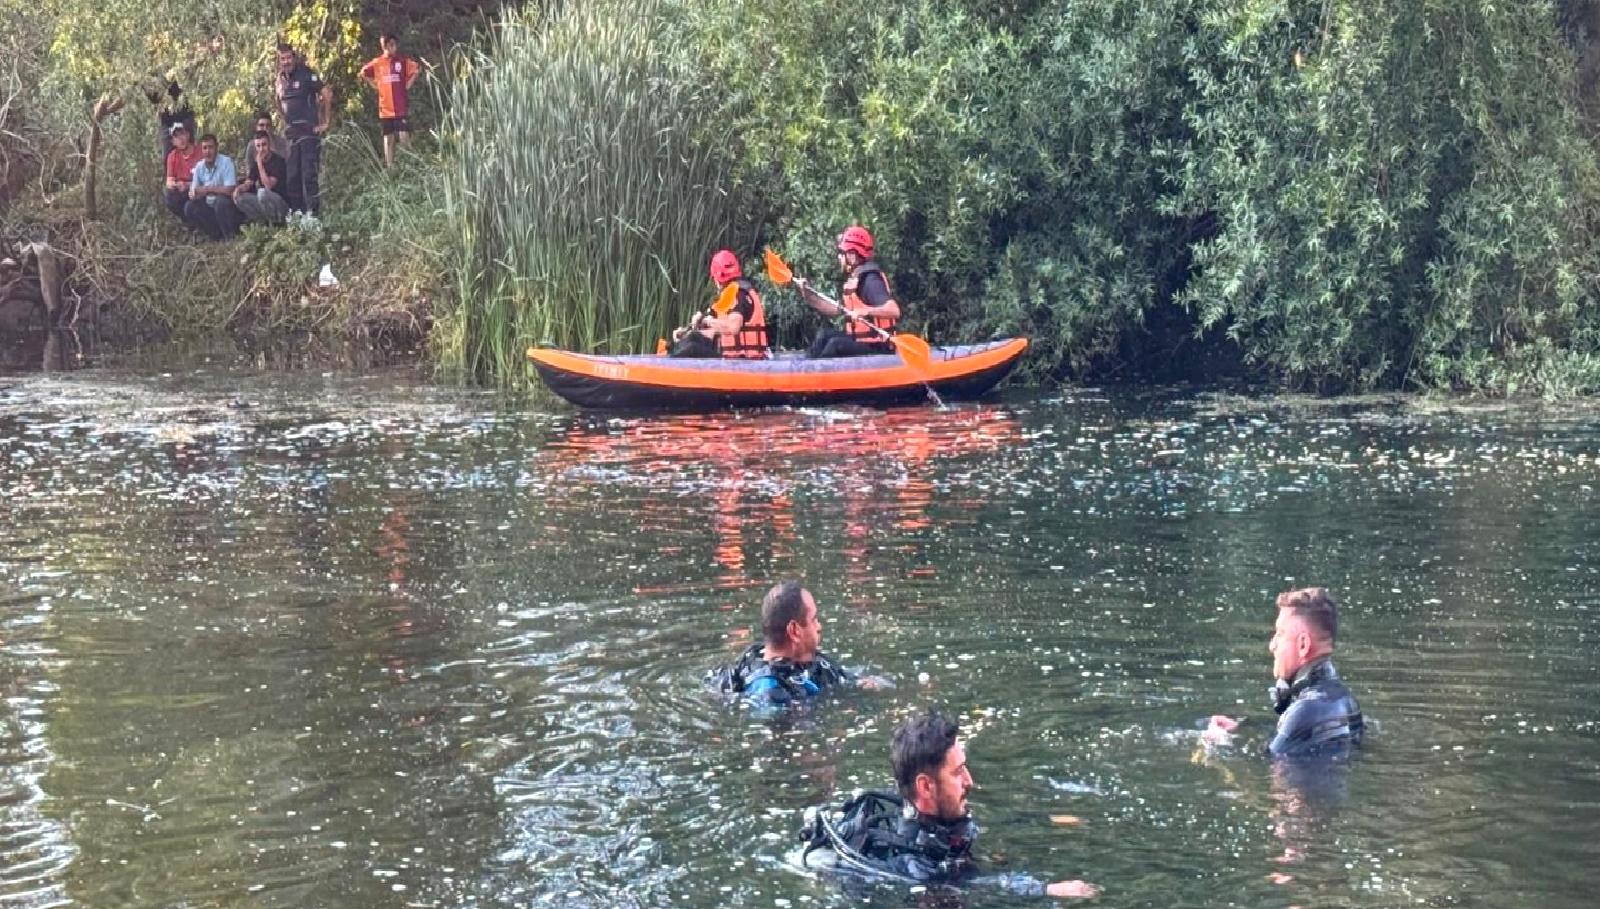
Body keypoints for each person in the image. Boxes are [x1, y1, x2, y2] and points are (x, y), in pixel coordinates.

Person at [800, 711, 1099, 899]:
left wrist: (1043, 820)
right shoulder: (914, 867)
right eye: (957, 773)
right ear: (925, 786)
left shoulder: (941, 822)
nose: (969, 781)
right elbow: (977, 886)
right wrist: (1044, 890)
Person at [1204, 587, 1364, 758]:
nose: (1272, 645)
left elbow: (1266, 765)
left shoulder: (1307, 709)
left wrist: (1220, 743)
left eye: (1280, 634)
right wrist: (1243, 729)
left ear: (1303, 645)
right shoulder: (1345, 700)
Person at [707, 581, 868, 706]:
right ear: (794, 630)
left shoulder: (810, 663)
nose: (819, 626)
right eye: (814, 620)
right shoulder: (768, 691)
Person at [797, 226, 901, 358]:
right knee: (824, 334)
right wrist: (808, 295)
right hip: (860, 341)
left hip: (880, 347)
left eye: (841, 252)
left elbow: (894, 310)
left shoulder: (870, 280)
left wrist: (867, 311)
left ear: (853, 254)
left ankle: (820, 375)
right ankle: (806, 371)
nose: (839, 257)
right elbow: (835, 310)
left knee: (836, 344)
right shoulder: (855, 279)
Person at [670, 250, 769, 359]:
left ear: (716, 278)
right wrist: (685, 335)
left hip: (746, 362)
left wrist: (705, 320)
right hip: (737, 361)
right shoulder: (730, 294)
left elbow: (733, 328)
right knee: (693, 339)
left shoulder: (739, 294)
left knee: (692, 348)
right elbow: (713, 332)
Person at [274, 42, 333, 215]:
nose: (286, 61)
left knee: (309, 175)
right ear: (279, 61)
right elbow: (277, 101)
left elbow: (326, 94)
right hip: (291, 134)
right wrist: (284, 118)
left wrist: (325, 121)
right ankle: (297, 215)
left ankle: (313, 215)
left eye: (288, 57)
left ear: (294, 57)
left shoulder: (307, 74)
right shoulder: (279, 79)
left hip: (309, 132)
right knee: (292, 176)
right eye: (282, 59)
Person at [359, 33, 422, 168]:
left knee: (404, 136)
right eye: (391, 45)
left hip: (400, 106)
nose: (394, 48)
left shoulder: (402, 61)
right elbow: (364, 72)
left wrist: (409, 82)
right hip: (385, 108)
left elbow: (417, 68)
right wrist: (374, 85)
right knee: (388, 138)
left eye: (395, 45)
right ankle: (390, 168)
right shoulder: (378, 63)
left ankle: (409, 165)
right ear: (385, 46)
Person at [183, 134, 243, 240]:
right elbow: (195, 191)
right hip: (209, 207)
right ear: (201, 150)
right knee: (190, 207)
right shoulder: (199, 167)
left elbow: (230, 189)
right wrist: (193, 194)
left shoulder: (226, 162)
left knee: (221, 201)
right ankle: (215, 234)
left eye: (210, 147)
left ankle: (230, 235)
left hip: (228, 207)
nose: (207, 151)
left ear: (216, 148)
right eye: (204, 148)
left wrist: (207, 189)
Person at [233, 131, 290, 226]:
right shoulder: (256, 164)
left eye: (264, 145)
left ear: (269, 145)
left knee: (262, 193)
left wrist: (260, 164)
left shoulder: (278, 161)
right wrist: (238, 189)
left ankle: (276, 225)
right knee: (240, 198)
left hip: (281, 205)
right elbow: (248, 183)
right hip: (265, 205)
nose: (261, 149)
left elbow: (268, 185)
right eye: (258, 146)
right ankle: (263, 225)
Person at [163, 123, 204, 220]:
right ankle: (188, 222)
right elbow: (169, 181)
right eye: (176, 137)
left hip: (200, 191)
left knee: (190, 207)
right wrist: (174, 184)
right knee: (169, 196)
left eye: (182, 134)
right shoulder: (172, 156)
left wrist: (188, 185)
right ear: (173, 142)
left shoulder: (200, 152)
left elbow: (208, 180)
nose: (181, 139)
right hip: (182, 191)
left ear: (188, 135)